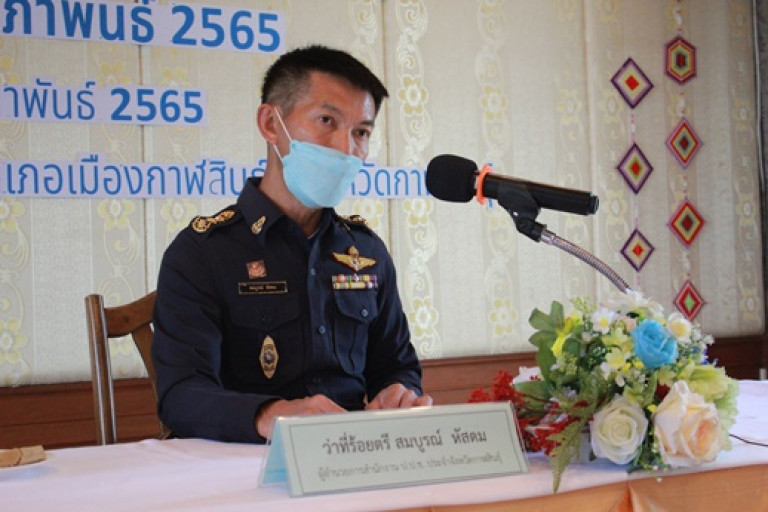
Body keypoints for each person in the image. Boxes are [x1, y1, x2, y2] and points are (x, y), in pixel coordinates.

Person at [151, 45, 432, 443]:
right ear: (271, 124)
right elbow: (181, 396)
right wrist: (271, 415)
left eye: (361, 133)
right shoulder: (202, 252)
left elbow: (397, 366)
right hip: (245, 461)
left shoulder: (366, 253)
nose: (346, 148)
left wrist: (398, 392)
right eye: (326, 121)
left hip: (355, 456)